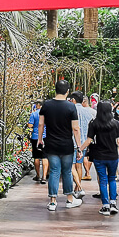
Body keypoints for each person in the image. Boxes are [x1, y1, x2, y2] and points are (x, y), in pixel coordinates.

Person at [38, 80, 83, 211]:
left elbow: (41, 124)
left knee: (54, 171)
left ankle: (52, 202)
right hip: (66, 145)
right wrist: (79, 146)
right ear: (67, 91)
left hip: (51, 144)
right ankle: (69, 199)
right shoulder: (70, 107)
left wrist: (40, 139)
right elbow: (75, 129)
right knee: (67, 171)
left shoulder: (46, 105)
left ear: (55, 89)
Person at [80, 100, 119, 216]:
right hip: (113, 156)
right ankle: (113, 204)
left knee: (103, 180)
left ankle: (105, 205)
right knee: (112, 179)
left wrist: (80, 149)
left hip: (99, 156)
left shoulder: (94, 123)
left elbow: (89, 140)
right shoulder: (116, 124)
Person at [70, 91, 94, 190]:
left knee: (70, 166)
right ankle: (77, 187)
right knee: (79, 165)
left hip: (71, 142)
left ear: (73, 100)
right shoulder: (89, 112)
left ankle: (77, 186)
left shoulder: (70, 110)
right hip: (84, 143)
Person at [27, 101, 48, 183]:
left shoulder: (34, 114)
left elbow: (30, 125)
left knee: (36, 157)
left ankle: (38, 175)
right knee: (45, 156)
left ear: (38, 105)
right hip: (45, 136)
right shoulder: (47, 114)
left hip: (35, 137)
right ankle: (44, 177)